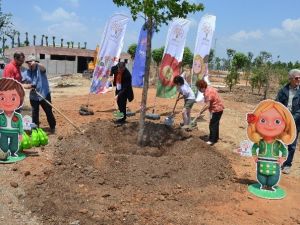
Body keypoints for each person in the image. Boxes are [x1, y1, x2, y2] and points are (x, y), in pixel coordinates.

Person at [247, 100, 296, 191]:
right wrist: (254, 155)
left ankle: (270, 186)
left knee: (273, 178)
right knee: (261, 176)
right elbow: (254, 147)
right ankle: (263, 184)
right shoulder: (260, 142)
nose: (269, 125)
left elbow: (284, 150)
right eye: (263, 120)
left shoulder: (278, 144)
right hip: (261, 164)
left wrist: (283, 158)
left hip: (274, 165)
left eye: (277, 121)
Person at [22, 55, 56, 134]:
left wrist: (36, 63)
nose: (29, 64)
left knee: (48, 111)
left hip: (44, 95)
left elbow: (44, 68)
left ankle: (52, 127)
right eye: (28, 63)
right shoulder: (26, 72)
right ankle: (35, 129)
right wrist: (28, 86)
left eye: (31, 62)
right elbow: (22, 83)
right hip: (34, 97)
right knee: (34, 114)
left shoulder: (40, 69)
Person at [276, 68, 300, 174]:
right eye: (297, 78)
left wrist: (292, 120)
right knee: (279, 141)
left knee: (292, 144)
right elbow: (277, 103)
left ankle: (287, 165)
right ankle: (277, 162)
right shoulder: (283, 90)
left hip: (295, 121)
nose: (299, 80)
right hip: (282, 121)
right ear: (291, 78)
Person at [0, 78, 25, 160]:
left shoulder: (18, 116)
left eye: (13, 99)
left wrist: (21, 134)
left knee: (14, 144)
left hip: (14, 132)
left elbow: (20, 125)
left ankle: (13, 153)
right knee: (3, 145)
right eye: (2, 98)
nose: (8, 102)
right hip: (3, 132)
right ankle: (4, 152)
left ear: (20, 100)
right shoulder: (1, 116)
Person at [196, 80, 224, 145]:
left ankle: (211, 140)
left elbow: (207, 105)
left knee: (212, 125)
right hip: (219, 108)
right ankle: (215, 138)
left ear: (202, 87)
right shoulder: (209, 88)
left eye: (199, 89)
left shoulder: (207, 93)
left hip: (216, 110)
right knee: (215, 124)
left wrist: (200, 112)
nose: (199, 90)